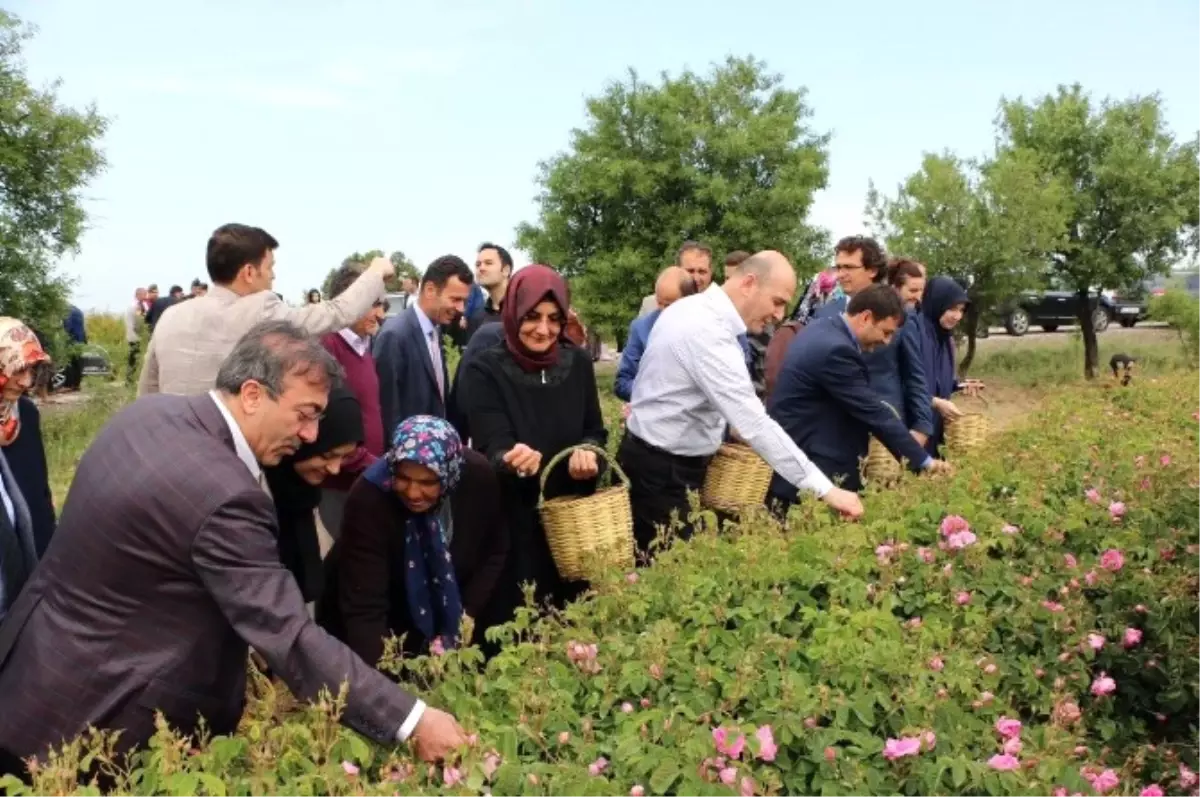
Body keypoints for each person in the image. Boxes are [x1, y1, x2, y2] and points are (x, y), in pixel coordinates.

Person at [0, 320, 466, 775]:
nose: (309, 435)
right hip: (94, 723)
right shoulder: (224, 493)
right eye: (304, 414)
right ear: (251, 394)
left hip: (33, 673)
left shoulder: (149, 414)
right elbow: (288, 635)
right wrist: (412, 721)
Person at [619, 251, 864, 556]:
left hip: (664, 463)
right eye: (777, 301)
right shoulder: (707, 331)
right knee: (673, 574)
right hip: (661, 472)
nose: (779, 314)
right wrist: (826, 489)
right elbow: (755, 423)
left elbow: (689, 394)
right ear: (749, 283)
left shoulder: (694, 310)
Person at [457, 265, 607, 611]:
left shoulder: (578, 363)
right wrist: (512, 458)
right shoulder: (485, 369)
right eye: (533, 317)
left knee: (575, 618)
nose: (544, 330)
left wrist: (590, 454)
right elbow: (491, 446)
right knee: (519, 622)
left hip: (571, 522)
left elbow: (594, 430)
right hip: (513, 521)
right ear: (513, 311)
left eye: (554, 319)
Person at [320, 416, 509, 662]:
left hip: (448, 614)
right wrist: (384, 686)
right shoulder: (369, 498)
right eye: (403, 478)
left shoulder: (476, 477)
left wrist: (469, 611)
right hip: (377, 623)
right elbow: (365, 608)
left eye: (427, 482)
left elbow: (494, 550)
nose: (412, 492)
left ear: (449, 474)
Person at [139, 223, 392, 397]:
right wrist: (375, 273)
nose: (273, 276)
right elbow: (336, 313)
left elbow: (147, 391)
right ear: (249, 272)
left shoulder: (172, 316)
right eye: (270, 267)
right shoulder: (260, 309)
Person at [768, 285, 949, 499]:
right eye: (886, 332)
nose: (886, 341)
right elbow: (874, 412)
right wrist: (924, 460)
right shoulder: (836, 351)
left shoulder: (822, 329)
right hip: (817, 467)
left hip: (801, 460)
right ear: (866, 317)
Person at [263, 386, 364, 603]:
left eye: (344, 458)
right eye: (327, 455)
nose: (335, 469)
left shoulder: (305, 497)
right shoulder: (257, 494)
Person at [319, 262, 388, 540]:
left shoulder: (364, 347)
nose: (380, 314)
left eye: (382, 304)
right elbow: (330, 423)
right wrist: (371, 464)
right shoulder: (327, 347)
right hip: (339, 485)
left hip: (363, 478)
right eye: (373, 304)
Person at [373, 255, 474, 436]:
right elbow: (388, 414)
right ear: (429, 290)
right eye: (455, 299)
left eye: (464, 301)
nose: (461, 309)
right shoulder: (395, 336)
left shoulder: (435, 330)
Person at [861, 259, 934, 446]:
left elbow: (915, 374)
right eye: (912, 291)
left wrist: (922, 426)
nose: (918, 297)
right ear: (895, 287)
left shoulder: (908, 321)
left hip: (889, 417)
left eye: (921, 291)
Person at [0, 320, 55, 559]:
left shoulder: (26, 413)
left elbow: (40, 488)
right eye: (18, 369)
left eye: (30, 370)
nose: (27, 382)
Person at [915, 276, 983, 456]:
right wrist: (934, 401)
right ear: (937, 303)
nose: (957, 316)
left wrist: (959, 385)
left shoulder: (945, 339)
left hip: (936, 427)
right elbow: (905, 382)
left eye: (961, 310)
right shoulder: (915, 333)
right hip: (915, 429)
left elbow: (937, 380)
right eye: (952, 308)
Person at [615, 266, 696, 402]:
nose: (663, 311)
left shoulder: (708, 327)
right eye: (659, 303)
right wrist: (653, 392)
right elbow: (623, 382)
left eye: (670, 305)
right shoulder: (641, 328)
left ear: (689, 301)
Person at [638, 241, 715, 318]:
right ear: (677, 269)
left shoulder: (720, 307)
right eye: (690, 271)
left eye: (702, 272)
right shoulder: (651, 305)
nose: (696, 278)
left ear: (710, 273)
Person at [466, 242, 512, 339]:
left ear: (505, 270)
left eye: (488, 263)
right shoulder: (477, 317)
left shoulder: (524, 310)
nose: (481, 268)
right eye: (478, 265)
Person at [61, 303, 87, 391]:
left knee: (69, 363)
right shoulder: (78, 310)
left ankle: (68, 385)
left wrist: (64, 338)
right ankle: (76, 385)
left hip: (72, 340)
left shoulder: (68, 312)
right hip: (80, 339)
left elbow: (68, 327)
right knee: (78, 363)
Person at [124, 288, 146, 384]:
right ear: (138, 295)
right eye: (143, 294)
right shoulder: (136, 306)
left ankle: (131, 378)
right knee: (133, 358)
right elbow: (138, 321)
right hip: (135, 336)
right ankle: (130, 379)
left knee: (134, 357)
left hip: (135, 335)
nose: (145, 296)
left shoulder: (139, 305)